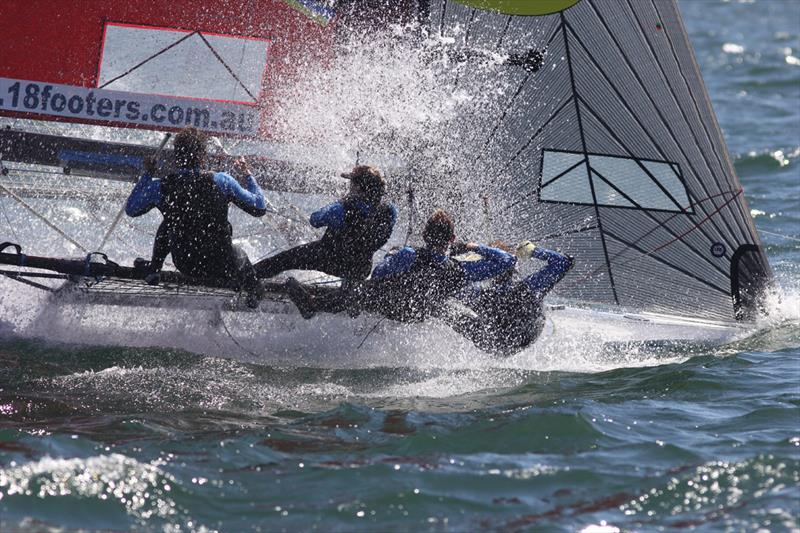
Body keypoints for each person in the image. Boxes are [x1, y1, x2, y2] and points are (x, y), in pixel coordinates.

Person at [283, 209, 516, 322]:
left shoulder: (408, 254)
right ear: (452, 240)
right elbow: (507, 260)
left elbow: (378, 274)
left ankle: (313, 304)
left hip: (385, 306)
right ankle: (338, 304)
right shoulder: (461, 270)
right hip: (417, 316)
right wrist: (474, 246)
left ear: (425, 235)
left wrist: (390, 259)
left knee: (362, 286)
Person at [125, 127, 268, 304]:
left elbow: (131, 209)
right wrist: (247, 175)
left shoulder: (161, 186)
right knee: (239, 252)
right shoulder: (222, 181)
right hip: (222, 265)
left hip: (186, 264)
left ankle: (154, 269)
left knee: (168, 224)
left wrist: (148, 174)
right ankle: (253, 290)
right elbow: (260, 208)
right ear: (202, 157)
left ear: (176, 157)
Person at [254, 165, 397, 282]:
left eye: (351, 182)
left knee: (283, 260)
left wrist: (342, 201)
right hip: (361, 268)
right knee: (354, 265)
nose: (349, 185)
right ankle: (343, 296)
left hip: (329, 258)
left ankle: (247, 277)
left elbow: (315, 220)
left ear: (358, 187)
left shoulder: (342, 208)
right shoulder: (389, 210)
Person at [442, 240, 573, 356]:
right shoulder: (528, 288)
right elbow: (564, 262)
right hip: (528, 338)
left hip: (494, 345)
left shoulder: (481, 295)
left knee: (443, 308)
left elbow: (452, 289)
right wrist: (533, 251)